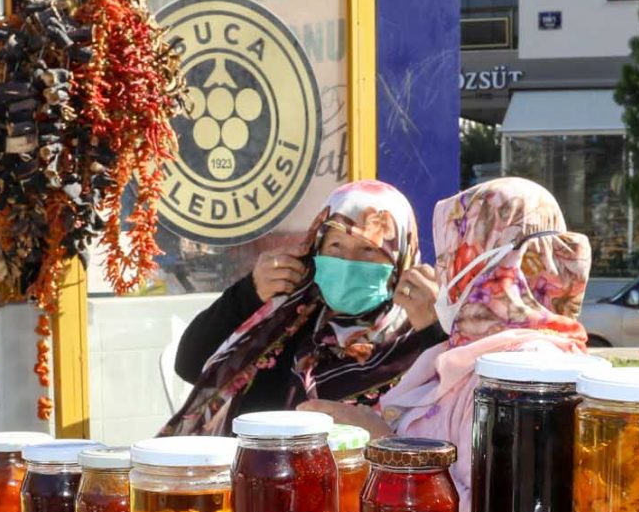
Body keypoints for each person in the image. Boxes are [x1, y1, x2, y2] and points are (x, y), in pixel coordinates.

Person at [379, 177, 593, 512]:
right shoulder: (473, 353)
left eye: (452, 253)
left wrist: (390, 453)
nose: (442, 271)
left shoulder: (525, 376)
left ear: (486, 261)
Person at [167, 179, 442, 436]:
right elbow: (190, 364)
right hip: (257, 474)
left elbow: (447, 420)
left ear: (400, 258)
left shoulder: (417, 336)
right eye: (335, 246)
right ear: (316, 248)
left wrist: (434, 331)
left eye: (369, 250)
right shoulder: (289, 317)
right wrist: (250, 292)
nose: (348, 262)